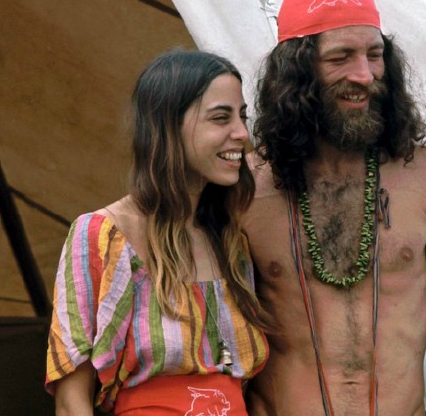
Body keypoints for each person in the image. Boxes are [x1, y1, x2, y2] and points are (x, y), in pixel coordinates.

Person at [243, 0, 426, 415]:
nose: (364, 75)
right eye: (341, 58)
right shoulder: (247, 183)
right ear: (297, 70)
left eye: (375, 55)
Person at [45, 49, 269, 416]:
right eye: (220, 118)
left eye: (242, 116)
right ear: (168, 126)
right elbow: (72, 402)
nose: (242, 133)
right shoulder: (103, 235)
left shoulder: (231, 240)